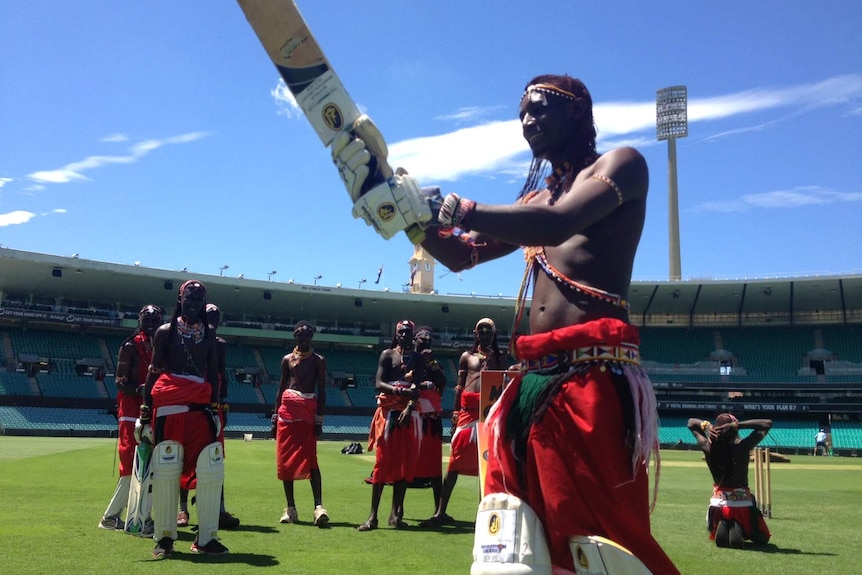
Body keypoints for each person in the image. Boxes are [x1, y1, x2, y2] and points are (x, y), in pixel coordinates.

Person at [333, 74, 679, 573]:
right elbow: (459, 255)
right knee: (516, 530)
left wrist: (459, 208)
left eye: (538, 109)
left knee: (595, 537)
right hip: (532, 381)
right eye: (521, 113)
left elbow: (559, 223)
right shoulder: (536, 201)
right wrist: (398, 208)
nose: (526, 121)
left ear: (577, 112)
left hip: (591, 378)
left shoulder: (623, 166)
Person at [137, 280, 228, 556]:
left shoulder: (209, 334)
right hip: (169, 407)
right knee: (166, 471)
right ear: (180, 297)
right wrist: (144, 412)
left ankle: (206, 537)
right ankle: (164, 538)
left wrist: (215, 407)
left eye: (199, 300)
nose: (194, 303)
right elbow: (154, 370)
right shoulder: (165, 332)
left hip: (200, 406)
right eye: (189, 298)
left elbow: (212, 373)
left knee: (210, 471)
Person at [421, 317, 508, 528]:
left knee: (486, 466)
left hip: (489, 414)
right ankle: (440, 512)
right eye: (482, 331)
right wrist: (455, 415)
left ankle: (484, 514)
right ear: (475, 333)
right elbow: (459, 388)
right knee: (454, 465)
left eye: (489, 332)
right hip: (467, 415)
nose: (485, 335)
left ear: (494, 335)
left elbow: (506, 384)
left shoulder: (500, 358)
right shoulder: (466, 357)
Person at [98, 304, 162, 533]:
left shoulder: (162, 346)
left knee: (151, 464)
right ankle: (120, 517)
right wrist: (140, 390)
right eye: (147, 319)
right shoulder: (130, 346)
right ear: (140, 320)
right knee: (132, 464)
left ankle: (138, 517)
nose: (152, 323)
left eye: (156, 319)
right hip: (131, 410)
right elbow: (119, 381)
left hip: (154, 408)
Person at [177, 303, 240, 530]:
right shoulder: (187, 338)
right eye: (210, 315)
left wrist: (223, 406)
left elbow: (222, 375)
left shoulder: (220, 344)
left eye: (217, 316)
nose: (214, 319)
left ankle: (218, 509)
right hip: (190, 401)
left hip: (213, 405)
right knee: (183, 455)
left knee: (215, 457)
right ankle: (182, 509)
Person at [358, 319, 421, 531]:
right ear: (397, 333)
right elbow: (378, 383)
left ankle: (396, 514)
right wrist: (400, 392)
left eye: (409, 332)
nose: (405, 335)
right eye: (402, 332)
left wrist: (410, 406)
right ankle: (372, 517)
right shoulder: (387, 355)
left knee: (404, 465)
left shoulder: (418, 358)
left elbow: (418, 386)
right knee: (382, 464)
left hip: (406, 416)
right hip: (387, 415)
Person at [272, 320, 330, 527]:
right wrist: (274, 417)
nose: (304, 337)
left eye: (307, 334)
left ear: (312, 337)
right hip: (286, 416)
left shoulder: (318, 360)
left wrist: (319, 419)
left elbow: (322, 391)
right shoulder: (286, 359)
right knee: (285, 461)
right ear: (294, 336)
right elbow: (280, 389)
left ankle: (318, 507)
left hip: (307, 415)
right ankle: (290, 508)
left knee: (311, 461)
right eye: (300, 334)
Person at [687, 414, 772, 548]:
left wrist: (707, 426)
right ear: (733, 430)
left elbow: (691, 422)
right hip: (742, 504)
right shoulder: (742, 448)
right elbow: (767, 423)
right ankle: (741, 530)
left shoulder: (707, 447)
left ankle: (725, 523)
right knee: (762, 538)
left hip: (717, 505)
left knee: (723, 505)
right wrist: (738, 425)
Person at [408, 326, 447, 516]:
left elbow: (443, 382)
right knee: (407, 463)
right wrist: (423, 385)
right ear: (415, 340)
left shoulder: (435, 363)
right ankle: (398, 509)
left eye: (429, 341)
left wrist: (430, 361)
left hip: (431, 420)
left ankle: (439, 510)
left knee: (435, 467)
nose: (426, 343)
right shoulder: (407, 360)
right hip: (412, 417)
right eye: (422, 340)